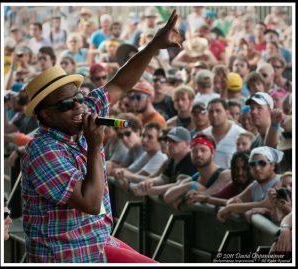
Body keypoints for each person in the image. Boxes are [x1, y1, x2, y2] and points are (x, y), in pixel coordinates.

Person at [21, 10, 181, 263]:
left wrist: (154, 45)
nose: (77, 107)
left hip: (96, 241)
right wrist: (95, 145)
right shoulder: (43, 150)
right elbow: (91, 202)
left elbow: (119, 84)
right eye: (66, 105)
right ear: (47, 116)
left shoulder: (81, 115)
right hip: (67, 254)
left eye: (78, 98)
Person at [216, 146, 283, 223]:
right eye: (252, 164)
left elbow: (266, 204)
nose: (257, 168)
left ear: (272, 165)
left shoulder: (281, 180)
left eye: (262, 163)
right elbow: (231, 200)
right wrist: (232, 203)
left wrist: (231, 207)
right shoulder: (254, 185)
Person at [163, 134, 231, 207]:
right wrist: (191, 185)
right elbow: (167, 197)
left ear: (213, 152)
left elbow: (211, 193)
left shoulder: (225, 174)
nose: (198, 154)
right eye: (194, 151)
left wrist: (185, 196)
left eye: (203, 150)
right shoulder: (195, 178)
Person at [133, 127, 197, 197]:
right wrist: (150, 182)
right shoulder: (173, 158)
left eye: (174, 141)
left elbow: (179, 186)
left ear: (187, 144)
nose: (169, 144)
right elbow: (163, 179)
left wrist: (150, 191)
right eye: (168, 140)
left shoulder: (190, 159)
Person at [186, 151, 253, 207]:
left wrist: (205, 199)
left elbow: (232, 203)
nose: (240, 173)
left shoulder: (255, 185)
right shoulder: (234, 185)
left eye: (245, 169)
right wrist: (198, 195)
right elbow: (218, 197)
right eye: (236, 169)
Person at [202, 98, 246, 168]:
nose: (214, 115)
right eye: (211, 111)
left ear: (227, 113)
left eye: (218, 111)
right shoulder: (204, 135)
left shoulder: (240, 134)